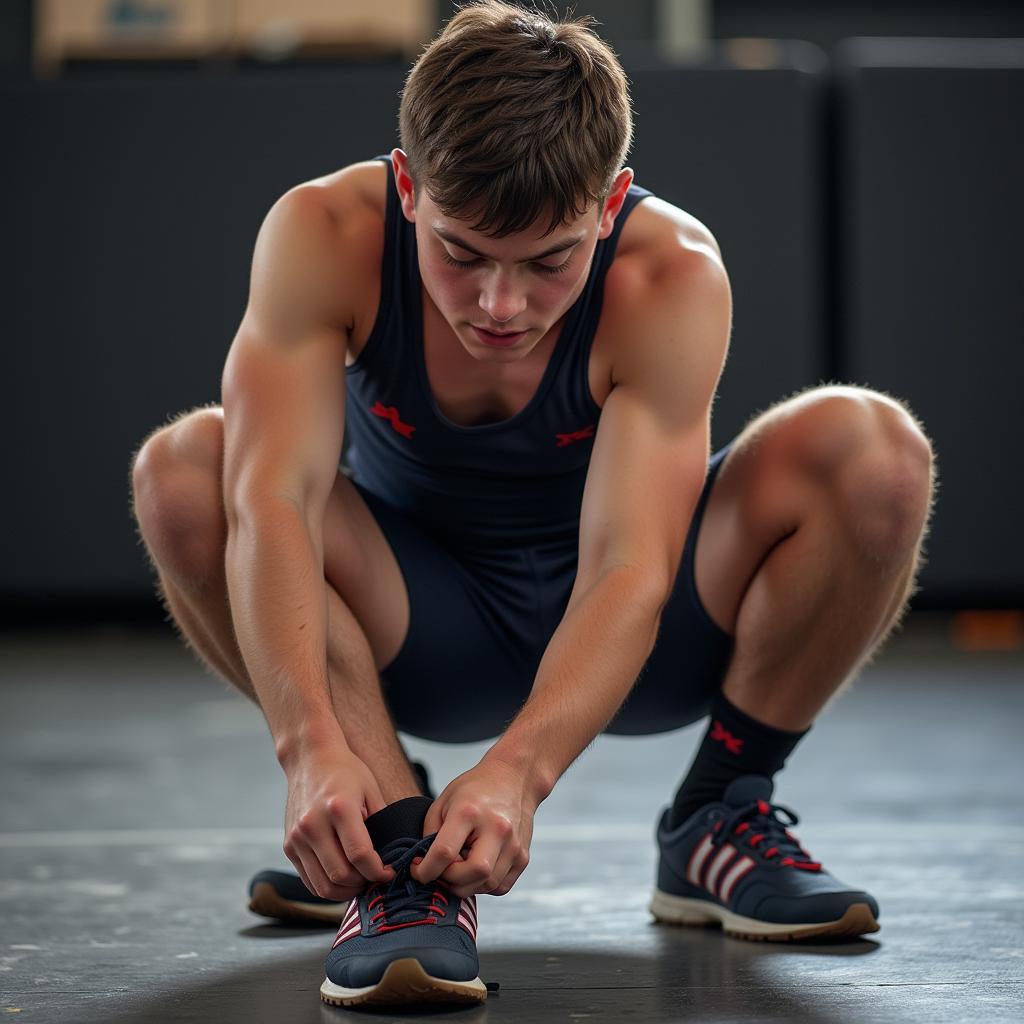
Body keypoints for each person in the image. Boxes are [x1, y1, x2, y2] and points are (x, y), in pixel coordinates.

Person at [130, 0, 936, 1009]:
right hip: (408, 632)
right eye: (460, 254)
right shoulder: (322, 232)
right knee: (186, 470)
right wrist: (310, 749)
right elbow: (273, 509)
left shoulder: (669, 272)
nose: (497, 307)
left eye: (549, 261)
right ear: (410, 188)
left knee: (874, 451)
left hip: (632, 638)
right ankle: (390, 845)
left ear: (609, 205)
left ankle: (718, 815)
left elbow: (628, 568)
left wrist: (521, 770)